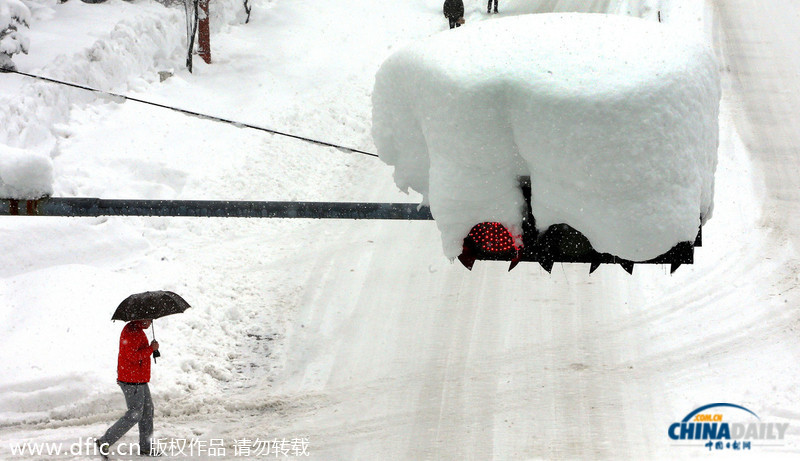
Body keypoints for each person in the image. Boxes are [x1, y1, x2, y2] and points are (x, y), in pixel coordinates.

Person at [95, 319, 160, 458]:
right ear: (141, 318)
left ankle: (146, 448)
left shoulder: (137, 330)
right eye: (149, 319)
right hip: (132, 380)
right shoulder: (131, 332)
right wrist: (150, 349)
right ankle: (104, 441)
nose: (150, 322)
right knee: (135, 414)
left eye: (151, 320)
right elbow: (132, 356)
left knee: (147, 412)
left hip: (139, 379)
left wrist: (150, 349)